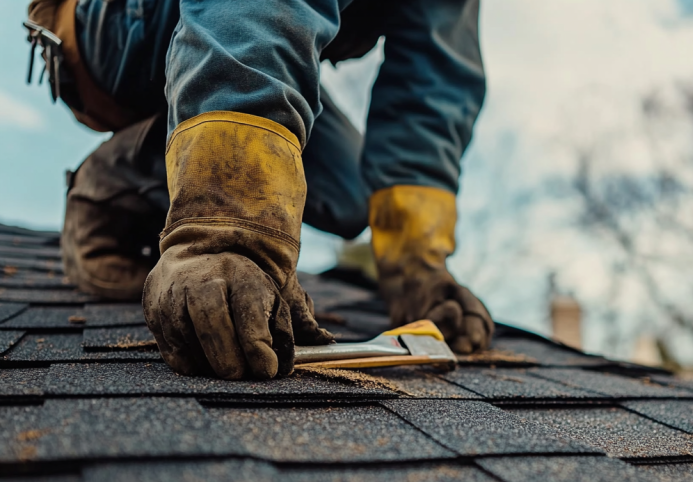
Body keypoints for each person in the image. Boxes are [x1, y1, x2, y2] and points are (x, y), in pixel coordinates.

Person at [25, 0, 494, 380]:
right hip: (113, 28)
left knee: (353, 197)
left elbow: (429, 89)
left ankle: (138, 163)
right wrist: (228, 226)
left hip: (244, 25)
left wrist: (418, 264)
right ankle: (106, 190)